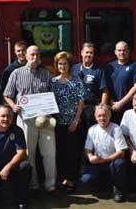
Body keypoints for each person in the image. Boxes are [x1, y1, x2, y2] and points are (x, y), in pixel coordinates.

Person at [3, 45, 58, 194]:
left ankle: (50, 186)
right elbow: (7, 95)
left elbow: (52, 96)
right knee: (29, 154)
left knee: (49, 153)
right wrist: (13, 106)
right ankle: (33, 185)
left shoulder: (46, 74)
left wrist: (50, 110)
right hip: (26, 119)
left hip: (45, 119)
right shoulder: (16, 73)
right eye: (32, 54)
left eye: (38, 55)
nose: (35, 57)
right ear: (26, 56)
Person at [51, 51, 87, 191]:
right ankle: (61, 179)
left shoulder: (77, 80)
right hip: (58, 123)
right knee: (60, 152)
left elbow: (81, 101)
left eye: (65, 64)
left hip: (73, 123)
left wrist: (76, 121)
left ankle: (71, 180)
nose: (62, 66)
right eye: (60, 64)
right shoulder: (53, 82)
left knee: (73, 152)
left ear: (69, 65)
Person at [80, 104, 127, 203]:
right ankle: (103, 184)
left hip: (112, 161)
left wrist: (105, 160)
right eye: (99, 116)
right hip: (98, 163)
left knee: (120, 163)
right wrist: (90, 157)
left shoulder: (116, 128)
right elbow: (87, 150)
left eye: (105, 115)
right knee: (85, 179)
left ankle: (118, 189)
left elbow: (121, 152)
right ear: (95, 117)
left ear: (109, 116)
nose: (102, 118)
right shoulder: (92, 129)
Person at [70, 42, 109, 130]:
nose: (88, 55)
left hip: (91, 108)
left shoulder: (99, 70)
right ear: (82, 53)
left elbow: (105, 91)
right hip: (77, 108)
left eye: (91, 53)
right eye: (86, 52)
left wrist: (101, 108)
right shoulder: (74, 69)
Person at [105, 41, 136, 124]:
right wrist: (111, 101)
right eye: (119, 50)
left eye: (124, 50)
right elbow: (106, 86)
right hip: (113, 108)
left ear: (128, 51)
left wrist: (121, 103)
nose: (122, 52)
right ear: (115, 52)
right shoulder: (110, 66)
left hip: (131, 108)